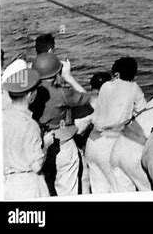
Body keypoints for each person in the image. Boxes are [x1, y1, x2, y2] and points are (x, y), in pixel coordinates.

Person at [30, 52, 93, 196]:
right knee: (67, 190)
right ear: (57, 72)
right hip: (63, 144)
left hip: (38, 143)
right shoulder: (62, 93)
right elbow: (87, 98)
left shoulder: (30, 93)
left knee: (47, 188)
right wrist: (68, 77)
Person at [85, 57, 147, 193]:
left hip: (93, 142)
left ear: (116, 74)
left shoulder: (105, 86)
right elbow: (144, 112)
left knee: (98, 190)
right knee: (120, 189)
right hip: (111, 144)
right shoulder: (134, 88)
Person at [2, 67, 53, 199]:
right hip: (27, 185)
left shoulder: (1, 117)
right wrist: (46, 144)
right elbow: (36, 166)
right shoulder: (30, 125)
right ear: (31, 95)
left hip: (6, 184)